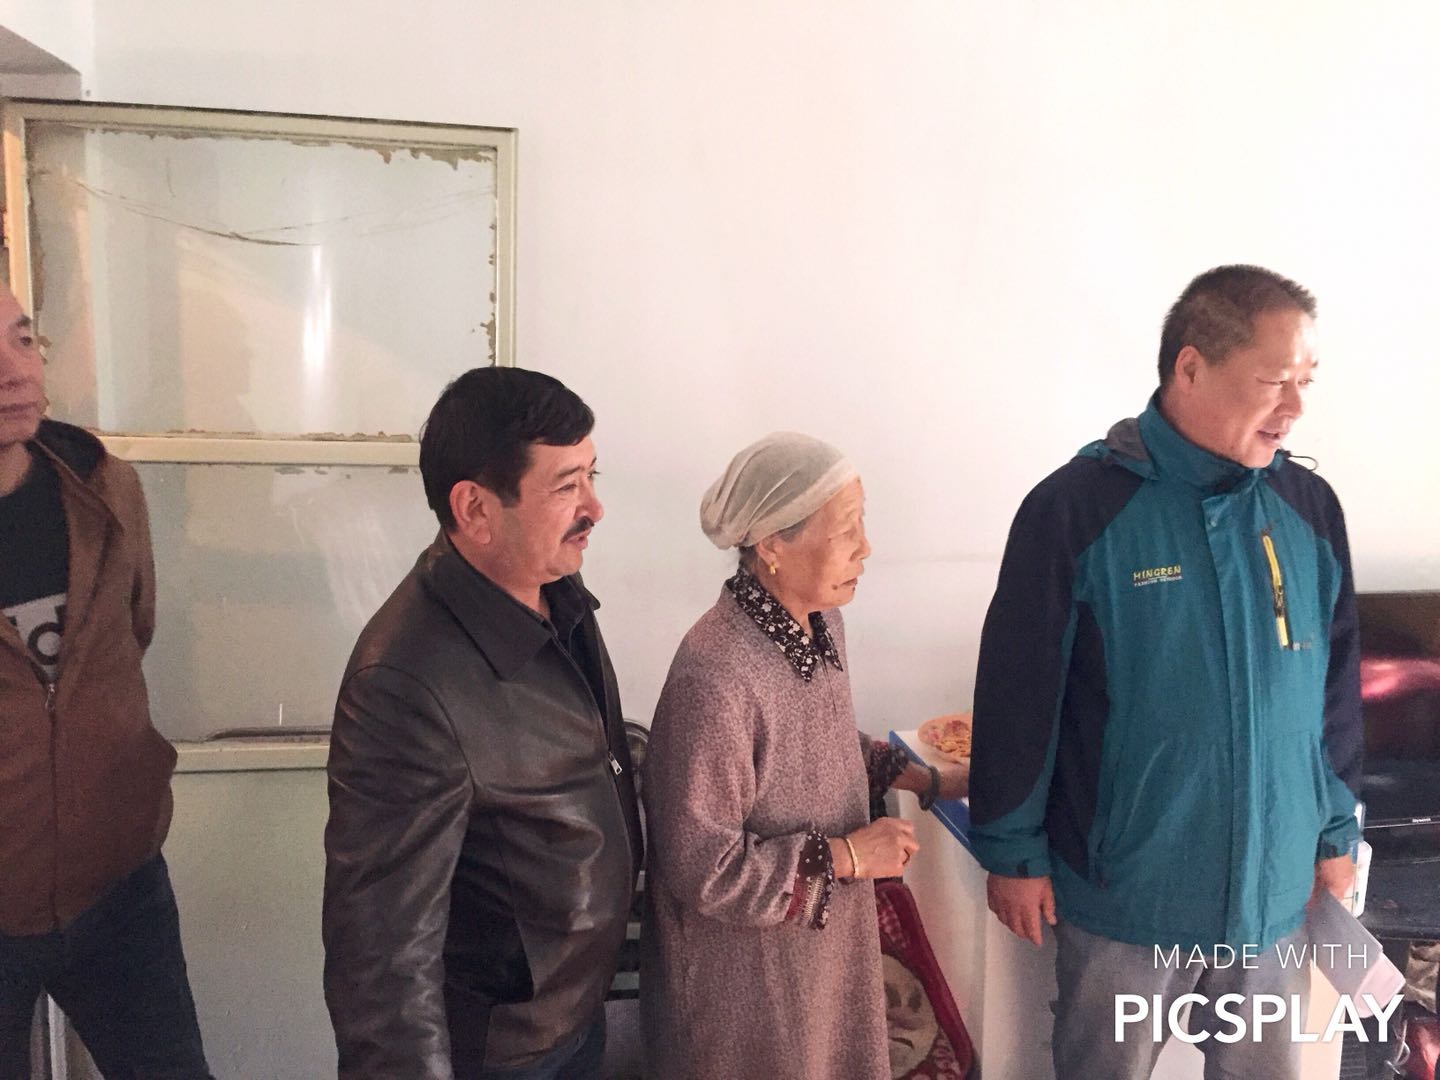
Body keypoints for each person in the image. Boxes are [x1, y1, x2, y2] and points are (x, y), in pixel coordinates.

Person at [969, 265, 1363, 1080]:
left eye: (1307, 381)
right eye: (1274, 381)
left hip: (1275, 899)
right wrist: (1011, 852)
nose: (1295, 407)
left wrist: (1335, 832)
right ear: (1191, 367)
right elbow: (1018, 694)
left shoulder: (1309, 510)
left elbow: (1334, 690)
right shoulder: (1077, 509)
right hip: (1128, 896)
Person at [322, 366, 643, 1080]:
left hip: (573, 1015)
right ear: (474, 508)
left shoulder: (554, 589)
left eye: (591, 476)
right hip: (503, 1052)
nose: (595, 508)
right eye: (566, 486)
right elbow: (381, 953)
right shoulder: (406, 680)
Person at [641, 432, 965, 1080]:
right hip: (745, 981)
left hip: (814, 952)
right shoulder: (717, 674)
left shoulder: (818, 623)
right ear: (771, 546)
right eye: (846, 530)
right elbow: (703, 868)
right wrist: (850, 856)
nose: (865, 548)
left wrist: (928, 779)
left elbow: (820, 741)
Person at [0, 282, 213, 1078]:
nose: (15, 371)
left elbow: (132, 631)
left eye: (23, 340)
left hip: (119, 887)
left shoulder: (103, 487)